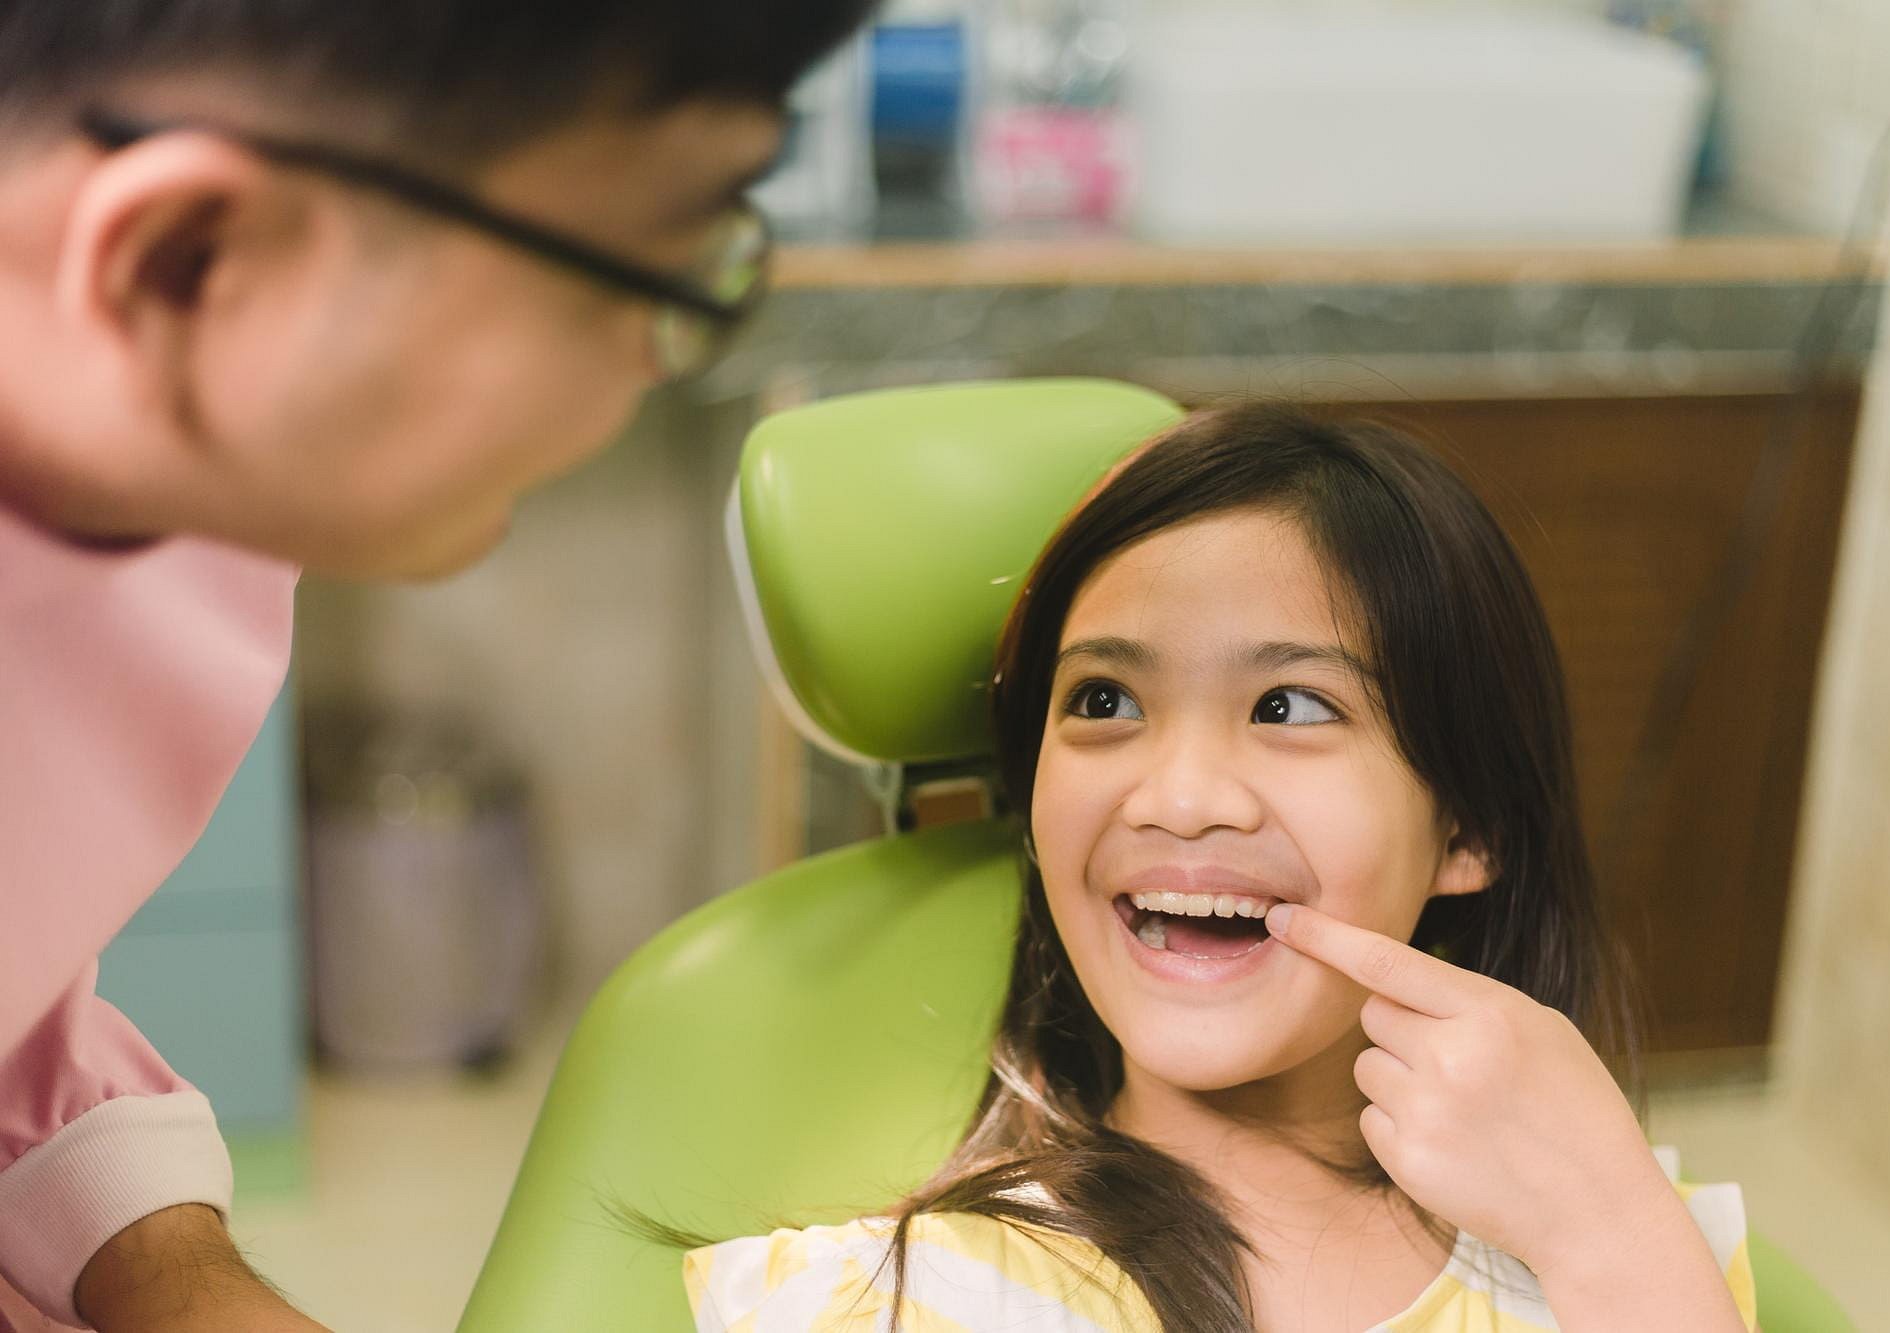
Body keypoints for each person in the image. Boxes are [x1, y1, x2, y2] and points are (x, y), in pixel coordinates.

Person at [0, 4, 875, 1329]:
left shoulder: (187, 526)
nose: (653, 361)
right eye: (652, 273)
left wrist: (161, 1265)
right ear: (187, 259)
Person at [681, 404, 1760, 1331]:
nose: (1181, 797)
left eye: (1288, 706)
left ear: (1468, 825)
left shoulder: (1620, 1242)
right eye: (1102, 701)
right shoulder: (918, 1296)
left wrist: (1609, 1237)